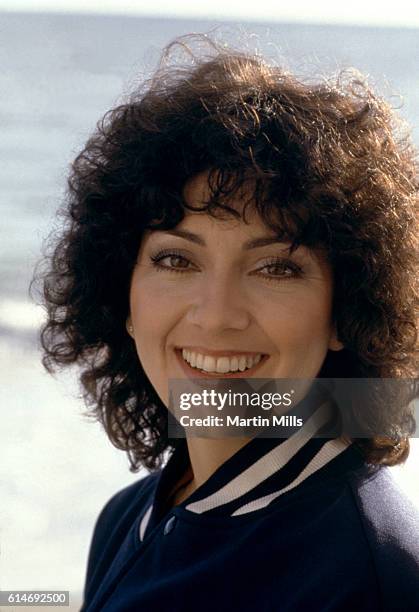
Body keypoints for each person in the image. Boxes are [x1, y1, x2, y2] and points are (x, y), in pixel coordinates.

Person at [37, 35, 419, 611]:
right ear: (124, 295)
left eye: (276, 267)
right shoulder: (127, 518)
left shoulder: (375, 578)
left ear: (347, 310)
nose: (216, 316)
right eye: (176, 259)